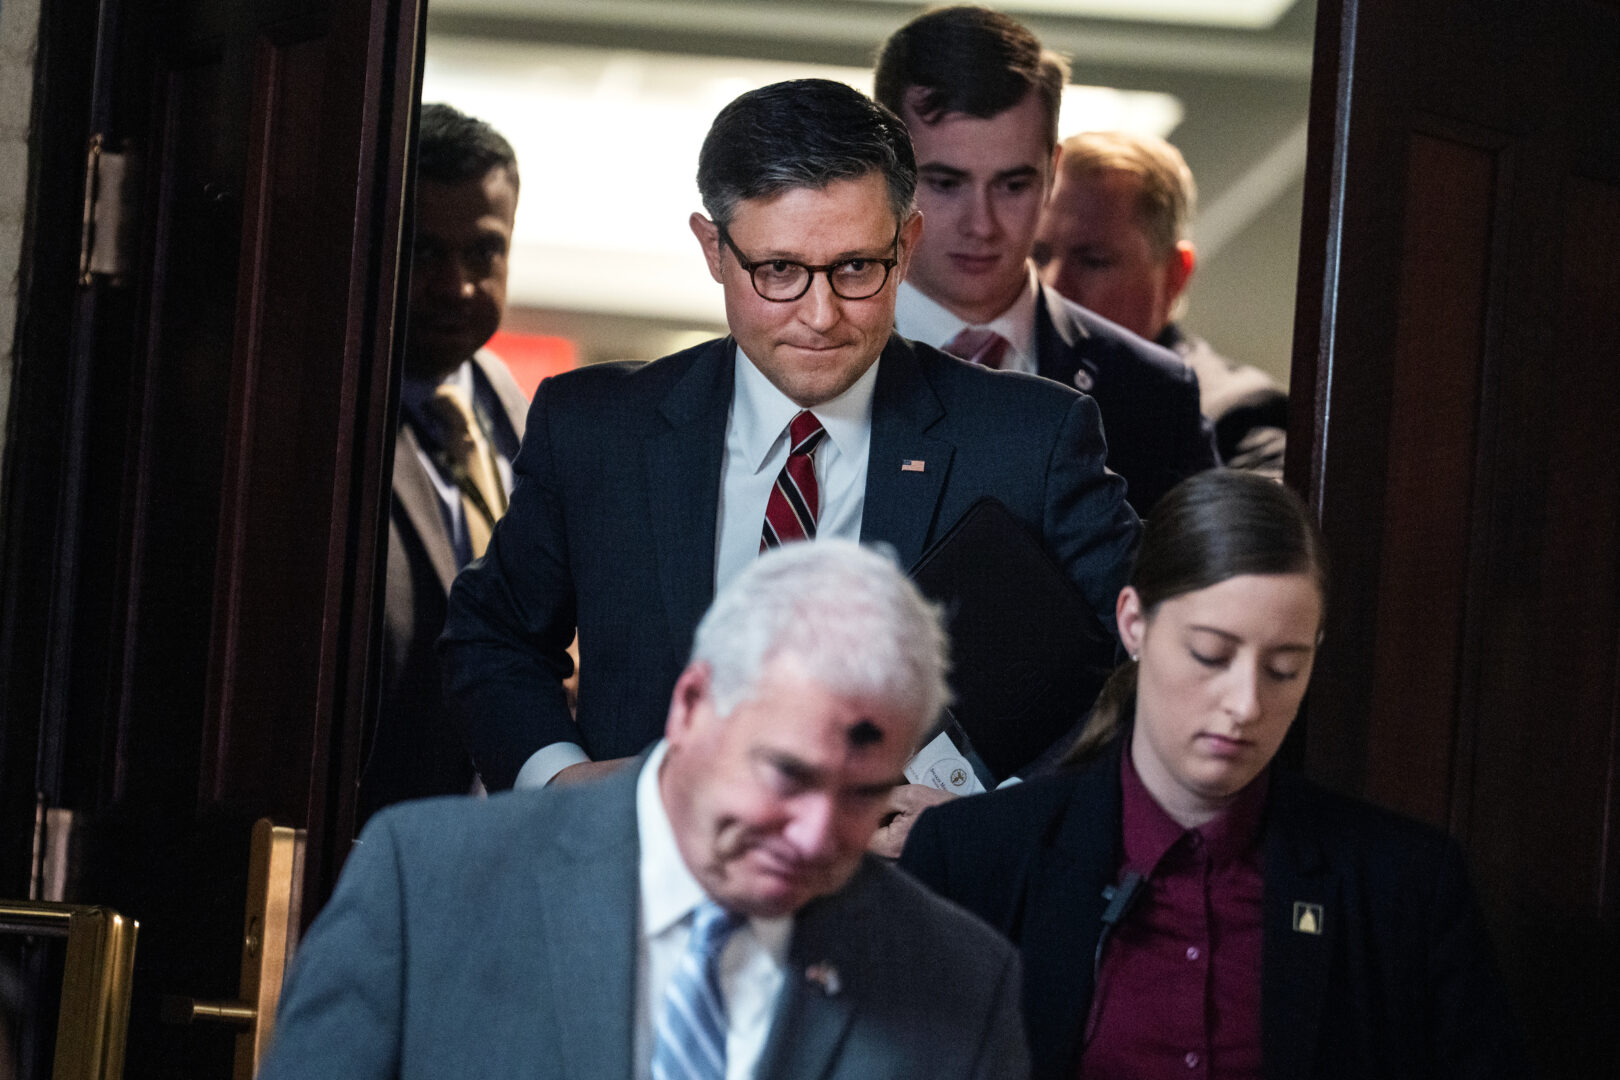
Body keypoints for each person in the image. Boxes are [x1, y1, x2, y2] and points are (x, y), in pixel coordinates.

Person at [438, 79, 1139, 809]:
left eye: (855, 269)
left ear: (906, 247)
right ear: (714, 249)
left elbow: (1146, 658)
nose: (820, 314)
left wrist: (992, 820)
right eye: (778, 271)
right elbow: (493, 638)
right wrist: (566, 783)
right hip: (638, 890)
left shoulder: (1033, 439)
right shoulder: (596, 429)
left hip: (912, 902)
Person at [259, 541, 1031, 1079]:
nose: (816, 834)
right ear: (693, 706)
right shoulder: (426, 885)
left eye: (866, 794)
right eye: (787, 776)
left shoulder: (959, 980)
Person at [900, 471, 1529, 1079]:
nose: (1246, 704)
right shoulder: (970, 859)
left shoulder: (1408, 887)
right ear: (1134, 623)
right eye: (1210, 655)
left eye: (1284, 668)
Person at [874, 5, 1217, 515]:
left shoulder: (1154, 394)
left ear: (1052, 173)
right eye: (946, 183)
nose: (982, 224)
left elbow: (1192, 592)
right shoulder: (805, 363)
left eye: (1014, 184)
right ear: (884, 170)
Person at [358, 104, 531, 821]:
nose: (457, 286)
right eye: (425, 253)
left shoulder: (503, 399)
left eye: (483, 253)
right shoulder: (326, 416)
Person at [1033, 131, 1289, 479]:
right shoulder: (988, 378)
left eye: (1093, 261)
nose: (1051, 285)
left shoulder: (1238, 415)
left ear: (1174, 275)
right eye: (1036, 256)